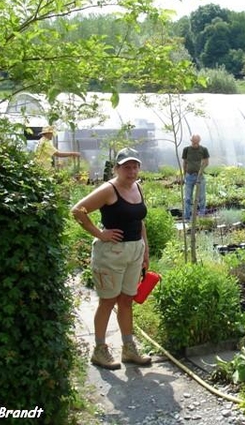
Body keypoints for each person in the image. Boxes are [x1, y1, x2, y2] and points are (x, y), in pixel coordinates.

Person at [71, 148, 152, 370]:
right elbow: (78, 211)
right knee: (108, 300)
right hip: (111, 253)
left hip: (134, 251)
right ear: (116, 168)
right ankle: (99, 349)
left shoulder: (137, 187)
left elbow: (139, 222)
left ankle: (128, 348)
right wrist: (100, 233)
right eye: (127, 167)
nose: (132, 171)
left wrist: (145, 250)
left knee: (126, 300)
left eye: (135, 166)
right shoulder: (109, 190)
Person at [181, 134, 210, 220]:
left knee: (201, 197)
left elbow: (206, 162)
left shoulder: (203, 150)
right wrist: (184, 174)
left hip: (199, 176)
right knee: (187, 198)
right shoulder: (186, 150)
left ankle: (201, 215)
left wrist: (201, 170)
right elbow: (185, 162)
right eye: (193, 141)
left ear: (199, 141)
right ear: (191, 141)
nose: (195, 143)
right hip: (189, 176)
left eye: (196, 141)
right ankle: (187, 217)